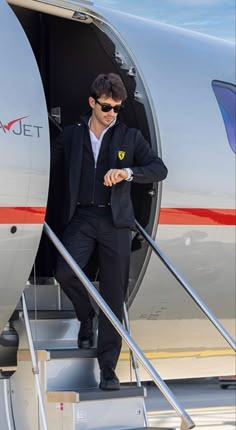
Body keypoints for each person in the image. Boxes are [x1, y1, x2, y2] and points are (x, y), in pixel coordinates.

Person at [52, 73, 168, 390]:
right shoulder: (73, 135)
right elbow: (50, 163)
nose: (111, 114)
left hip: (115, 223)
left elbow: (159, 169)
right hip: (82, 218)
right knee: (64, 272)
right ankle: (85, 314)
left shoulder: (129, 137)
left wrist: (128, 172)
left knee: (114, 298)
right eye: (106, 107)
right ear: (92, 102)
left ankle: (108, 369)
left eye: (116, 108)